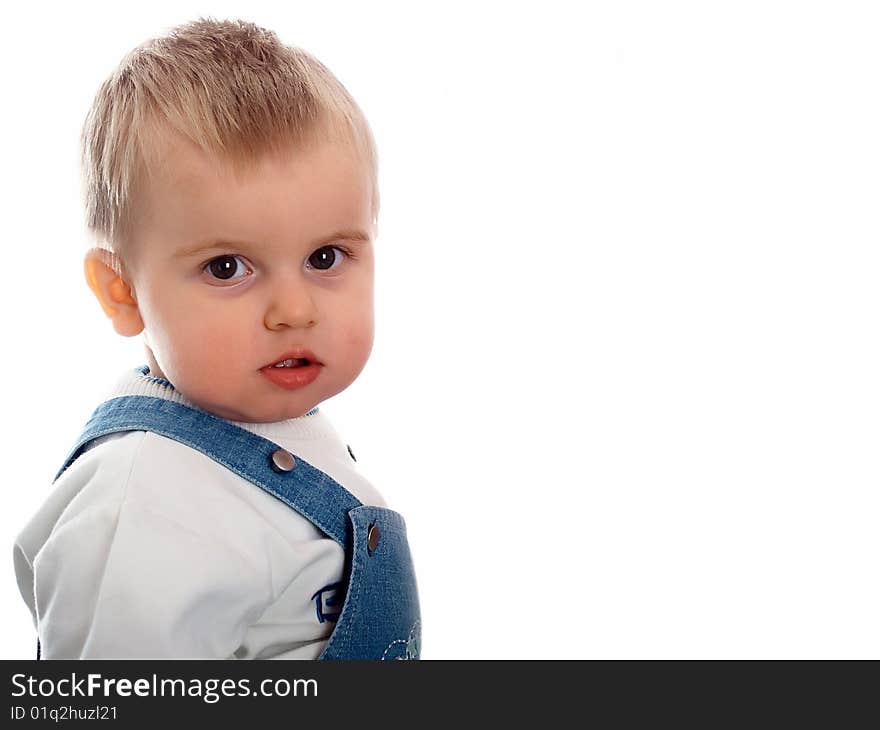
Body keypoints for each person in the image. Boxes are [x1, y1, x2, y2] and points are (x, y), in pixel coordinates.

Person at [12, 17, 420, 660]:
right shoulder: (145, 509)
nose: (293, 310)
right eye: (226, 267)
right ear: (122, 291)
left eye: (325, 257)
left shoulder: (278, 428)